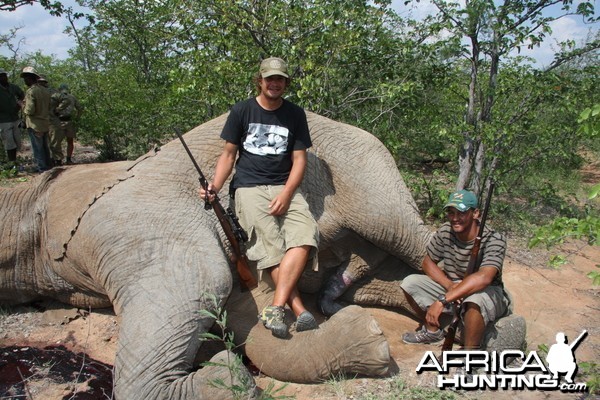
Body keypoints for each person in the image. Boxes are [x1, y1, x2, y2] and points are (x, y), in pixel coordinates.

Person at [200, 57, 319, 338]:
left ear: (286, 83)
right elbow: (229, 155)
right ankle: (299, 309)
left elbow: (299, 160)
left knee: (306, 234)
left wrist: (288, 194)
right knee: (271, 246)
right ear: (260, 81)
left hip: (283, 185)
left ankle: (275, 307)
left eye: (280, 79)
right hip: (249, 187)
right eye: (269, 79)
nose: (274, 84)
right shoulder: (242, 111)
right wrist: (215, 186)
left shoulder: (294, 114)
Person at [400, 189, 511, 349]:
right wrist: (449, 286)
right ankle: (433, 331)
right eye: (451, 213)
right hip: (453, 286)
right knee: (410, 283)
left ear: (476, 213)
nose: (455, 218)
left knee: (475, 301)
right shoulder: (446, 231)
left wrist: (443, 300)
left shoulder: (494, 238)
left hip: (485, 290)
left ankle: (470, 355)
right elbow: (427, 263)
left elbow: (484, 277)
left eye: (461, 213)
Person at [20, 66, 52, 172]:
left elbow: (30, 110)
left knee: (37, 148)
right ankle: (48, 166)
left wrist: (22, 106)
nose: (25, 81)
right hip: (45, 123)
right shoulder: (45, 90)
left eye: (25, 78)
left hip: (34, 124)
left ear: (29, 78)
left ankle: (42, 168)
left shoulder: (31, 92)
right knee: (45, 147)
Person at [0, 68, 25, 165]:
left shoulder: (13, 87)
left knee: (17, 140)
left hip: (15, 118)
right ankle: (12, 163)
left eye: (4, 75)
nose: (3, 78)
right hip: (3, 120)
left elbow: (22, 95)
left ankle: (14, 160)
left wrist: (19, 105)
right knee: (9, 141)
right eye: (1, 76)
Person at [38, 75, 64, 166]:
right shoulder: (36, 92)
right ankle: (48, 161)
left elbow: (66, 100)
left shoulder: (53, 92)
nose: (41, 83)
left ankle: (58, 161)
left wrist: (58, 109)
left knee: (54, 142)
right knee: (43, 144)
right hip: (40, 122)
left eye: (42, 82)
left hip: (52, 121)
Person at [54, 83, 82, 165]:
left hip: (60, 121)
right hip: (66, 121)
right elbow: (80, 109)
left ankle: (60, 160)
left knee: (57, 142)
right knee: (68, 141)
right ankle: (66, 159)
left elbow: (80, 108)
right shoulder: (72, 97)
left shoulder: (57, 97)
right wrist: (77, 118)